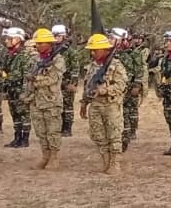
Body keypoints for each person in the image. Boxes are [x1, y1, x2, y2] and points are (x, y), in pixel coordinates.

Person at [79, 33, 129, 175]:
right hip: (95, 106)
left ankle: (115, 163)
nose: (92, 53)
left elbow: (121, 85)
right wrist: (84, 103)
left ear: (104, 50)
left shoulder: (116, 65)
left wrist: (105, 90)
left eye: (95, 50)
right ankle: (106, 161)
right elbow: (88, 85)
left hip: (110, 105)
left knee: (114, 134)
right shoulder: (92, 66)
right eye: (91, 50)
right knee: (98, 135)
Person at [26, 28, 68, 169]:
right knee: (40, 131)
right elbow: (27, 77)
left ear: (49, 43)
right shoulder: (35, 59)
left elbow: (53, 78)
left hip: (51, 101)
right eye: (36, 43)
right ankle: (45, 155)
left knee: (52, 131)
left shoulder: (58, 60)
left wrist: (35, 79)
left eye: (40, 43)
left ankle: (54, 157)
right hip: (36, 100)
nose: (37, 46)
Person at [112, 28, 148, 150]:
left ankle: (129, 133)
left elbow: (139, 69)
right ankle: (120, 135)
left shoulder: (134, 53)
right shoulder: (112, 53)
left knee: (130, 110)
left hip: (130, 86)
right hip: (116, 87)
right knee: (120, 111)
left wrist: (137, 85)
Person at [0, 27, 32, 148]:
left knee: (24, 114)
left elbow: (26, 75)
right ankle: (17, 137)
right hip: (11, 90)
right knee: (15, 114)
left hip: (21, 90)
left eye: (9, 38)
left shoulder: (24, 55)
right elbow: (5, 71)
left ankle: (25, 139)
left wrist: (25, 92)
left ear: (18, 39)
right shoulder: (9, 55)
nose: (6, 41)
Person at [50, 24, 83, 138]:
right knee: (55, 105)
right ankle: (57, 126)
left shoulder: (70, 52)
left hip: (67, 82)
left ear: (64, 37)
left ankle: (67, 128)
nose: (56, 38)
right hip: (54, 82)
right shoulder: (52, 50)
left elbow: (75, 68)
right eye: (54, 36)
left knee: (67, 106)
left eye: (58, 36)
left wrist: (72, 83)